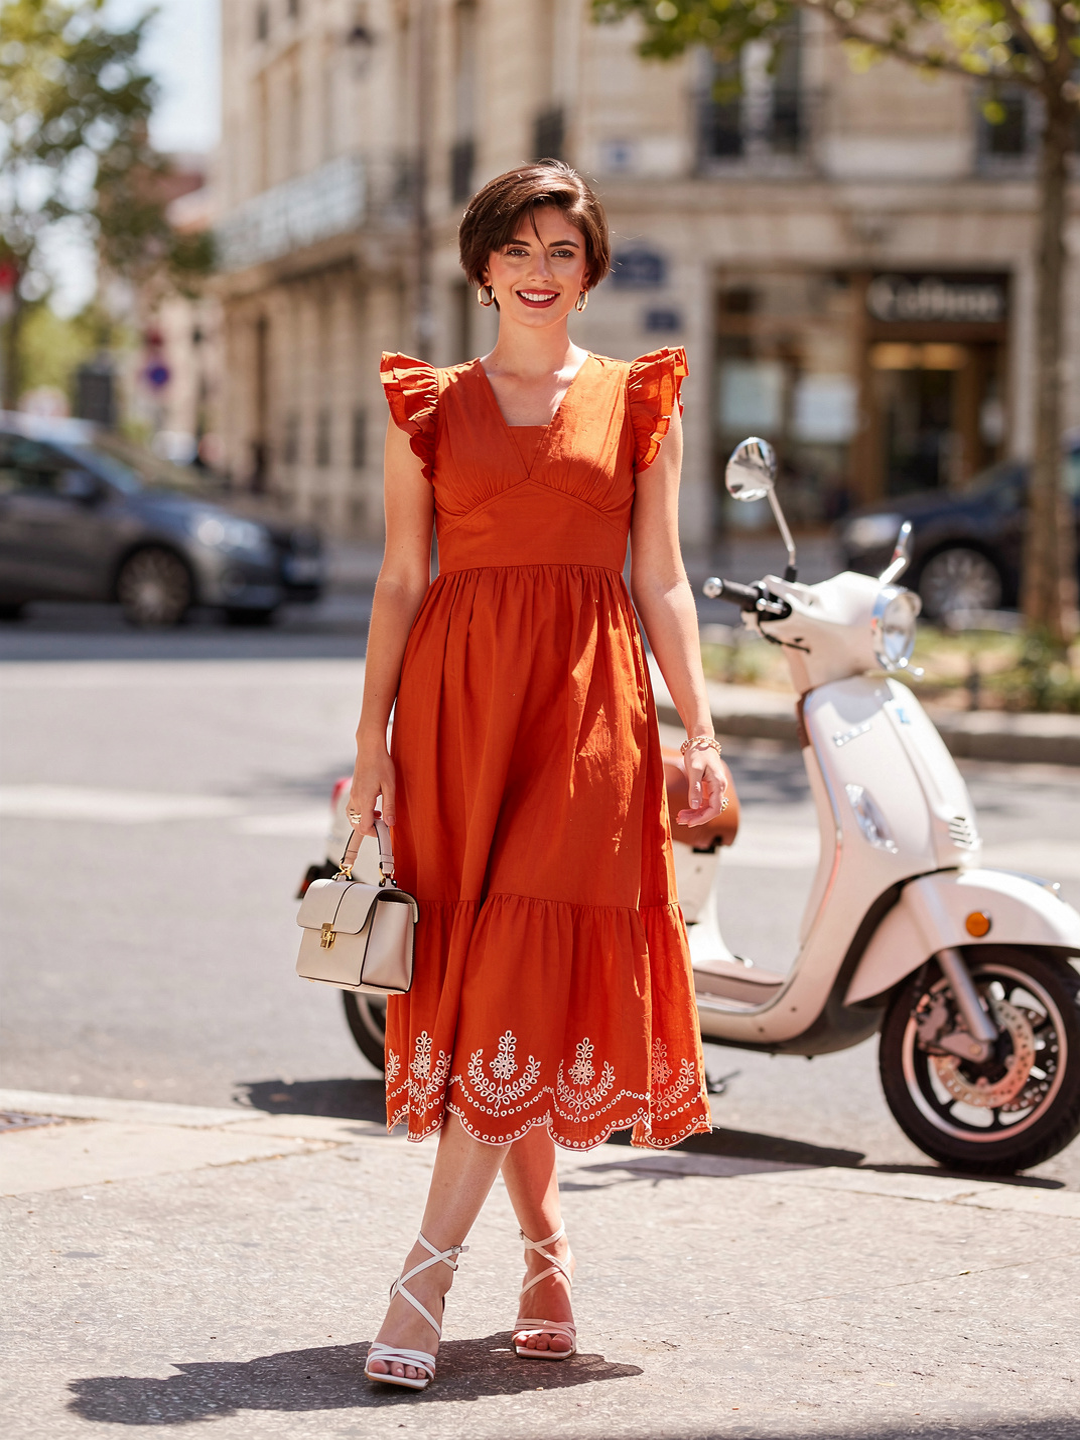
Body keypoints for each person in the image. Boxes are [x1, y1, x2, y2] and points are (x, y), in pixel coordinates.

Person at [346, 161, 727, 1391]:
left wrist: (701, 730)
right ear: (481, 268)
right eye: (519, 247)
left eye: (564, 248)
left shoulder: (636, 400)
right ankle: (548, 1254)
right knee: (480, 983)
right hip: (457, 715)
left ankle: (424, 1271)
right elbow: (403, 578)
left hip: (586, 709)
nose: (541, 269)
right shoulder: (427, 406)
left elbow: (660, 578)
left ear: (590, 266)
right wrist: (369, 746)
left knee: (515, 965)